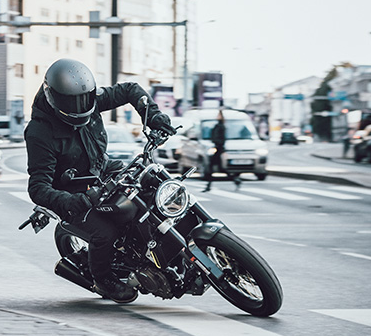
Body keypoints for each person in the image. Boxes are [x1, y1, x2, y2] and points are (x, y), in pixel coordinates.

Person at [25, 58, 173, 302]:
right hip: (74, 193)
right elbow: (38, 188)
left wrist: (153, 116)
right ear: (54, 98)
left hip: (103, 170)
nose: (80, 106)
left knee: (151, 182)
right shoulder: (40, 132)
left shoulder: (88, 99)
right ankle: (103, 281)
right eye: (72, 103)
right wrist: (76, 201)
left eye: (85, 100)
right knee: (106, 232)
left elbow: (129, 90)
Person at [204, 109, 241, 192]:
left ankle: (208, 186)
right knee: (219, 168)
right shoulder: (218, 125)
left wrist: (217, 143)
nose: (217, 116)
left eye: (218, 115)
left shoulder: (221, 126)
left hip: (219, 149)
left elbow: (221, 138)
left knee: (213, 168)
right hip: (217, 148)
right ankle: (235, 180)